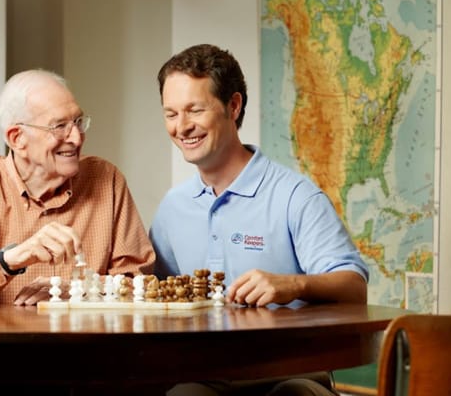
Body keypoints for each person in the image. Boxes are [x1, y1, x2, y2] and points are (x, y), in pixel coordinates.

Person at [150, 44, 369, 396]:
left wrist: (293, 286)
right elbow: (156, 298)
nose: (182, 127)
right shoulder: (172, 208)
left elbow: (355, 288)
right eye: (171, 114)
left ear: (233, 106)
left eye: (194, 110)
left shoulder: (296, 196)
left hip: (291, 374)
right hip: (203, 378)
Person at [0, 69, 156, 395]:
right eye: (59, 127)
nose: (76, 137)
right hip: (1, 368)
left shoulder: (107, 179)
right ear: (16, 138)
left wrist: (79, 293)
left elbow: (139, 282)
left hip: (94, 366)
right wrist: (12, 258)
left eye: (78, 122)